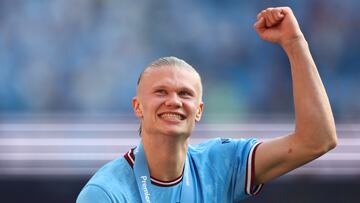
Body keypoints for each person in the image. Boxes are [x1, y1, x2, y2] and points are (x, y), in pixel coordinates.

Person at [76, 7, 337, 203]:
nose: (174, 101)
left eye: (185, 94)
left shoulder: (220, 163)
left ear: (199, 110)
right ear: (138, 107)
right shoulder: (106, 192)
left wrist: (295, 44)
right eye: (160, 91)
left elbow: (317, 140)